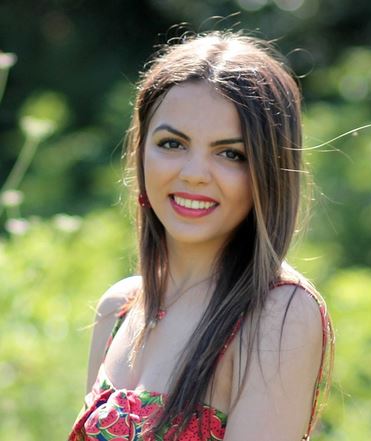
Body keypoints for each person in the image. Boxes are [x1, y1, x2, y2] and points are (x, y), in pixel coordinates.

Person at [68, 30, 335, 441]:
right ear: (141, 153)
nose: (194, 174)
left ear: (270, 171)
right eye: (172, 144)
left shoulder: (279, 315)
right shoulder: (118, 309)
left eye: (231, 154)